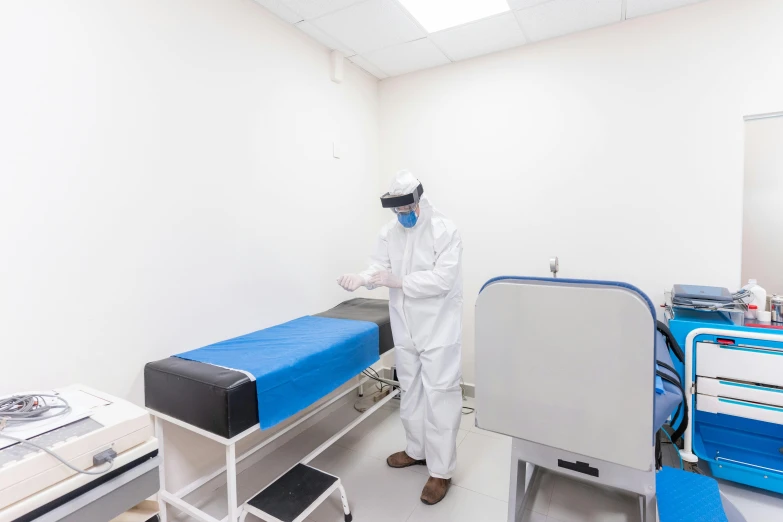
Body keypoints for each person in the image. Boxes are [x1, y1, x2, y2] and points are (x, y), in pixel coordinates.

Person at [337, 170, 463, 505]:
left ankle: (441, 471)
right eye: (397, 211)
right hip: (405, 328)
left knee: (440, 395)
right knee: (410, 390)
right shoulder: (389, 232)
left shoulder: (444, 231)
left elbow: (443, 280)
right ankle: (416, 450)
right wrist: (362, 279)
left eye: (407, 209)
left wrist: (399, 282)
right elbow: (377, 267)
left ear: (419, 201)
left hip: (438, 328)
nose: (403, 216)